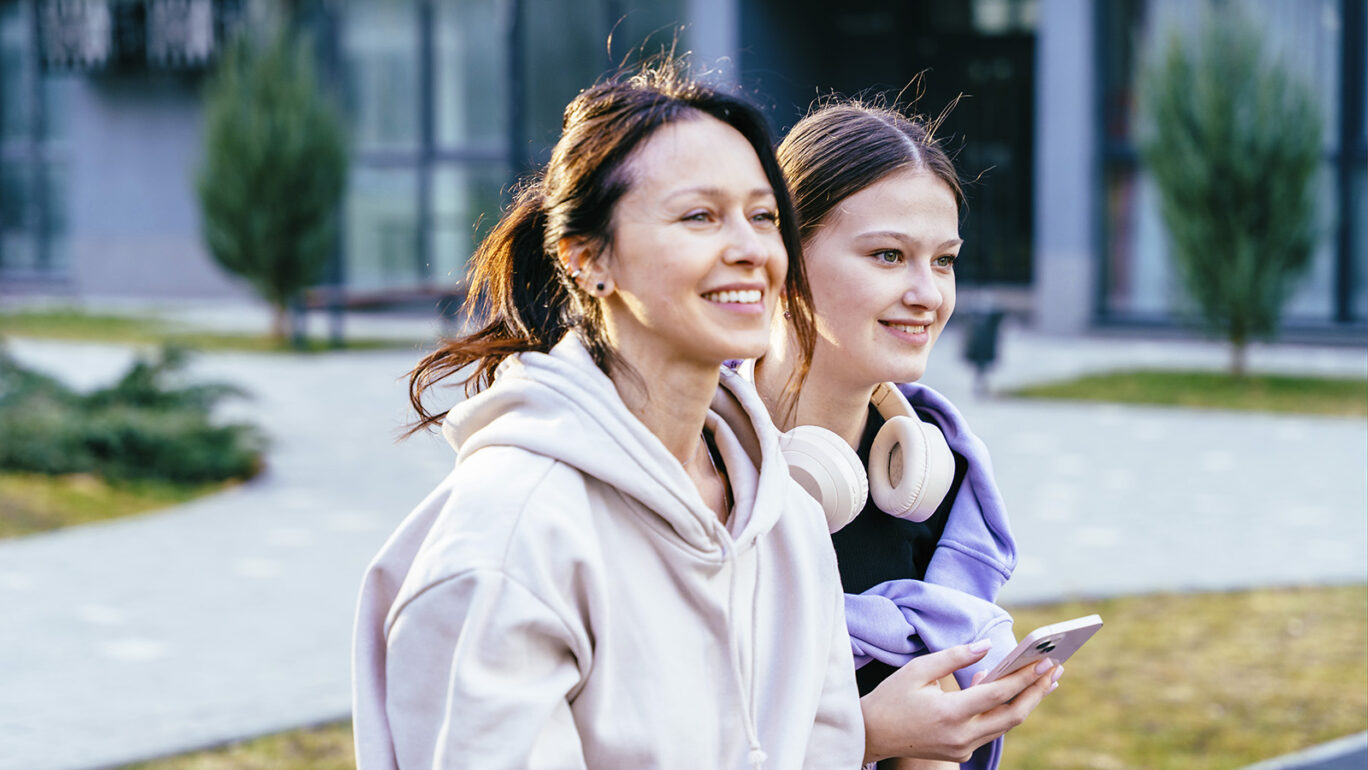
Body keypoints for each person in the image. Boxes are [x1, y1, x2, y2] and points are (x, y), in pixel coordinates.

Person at [350, 62, 867, 769]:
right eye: (699, 216)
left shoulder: (787, 520)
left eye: (764, 216)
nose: (751, 249)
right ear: (588, 260)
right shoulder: (509, 540)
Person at [752, 100, 1060, 769]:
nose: (927, 294)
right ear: (782, 259)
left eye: (944, 260)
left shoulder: (934, 476)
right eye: (889, 255)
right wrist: (866, 736)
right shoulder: (697, 467)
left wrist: (949, 730)